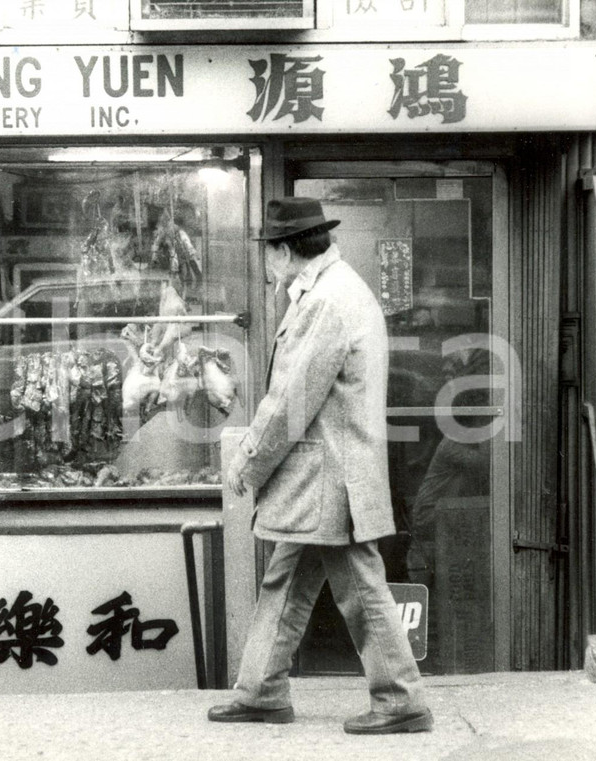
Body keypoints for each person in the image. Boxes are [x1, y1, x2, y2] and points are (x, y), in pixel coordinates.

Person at [208, 197, 432, 734]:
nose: (265, 264)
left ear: (285, 252)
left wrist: (250, 460)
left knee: (359, 587)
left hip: (330, 476)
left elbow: (291, 398)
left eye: (268, 252)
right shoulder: (333, 291)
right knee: (285, 580)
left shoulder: (327, 301)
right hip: (326, 474)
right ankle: (261, 691)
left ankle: (400, 700)